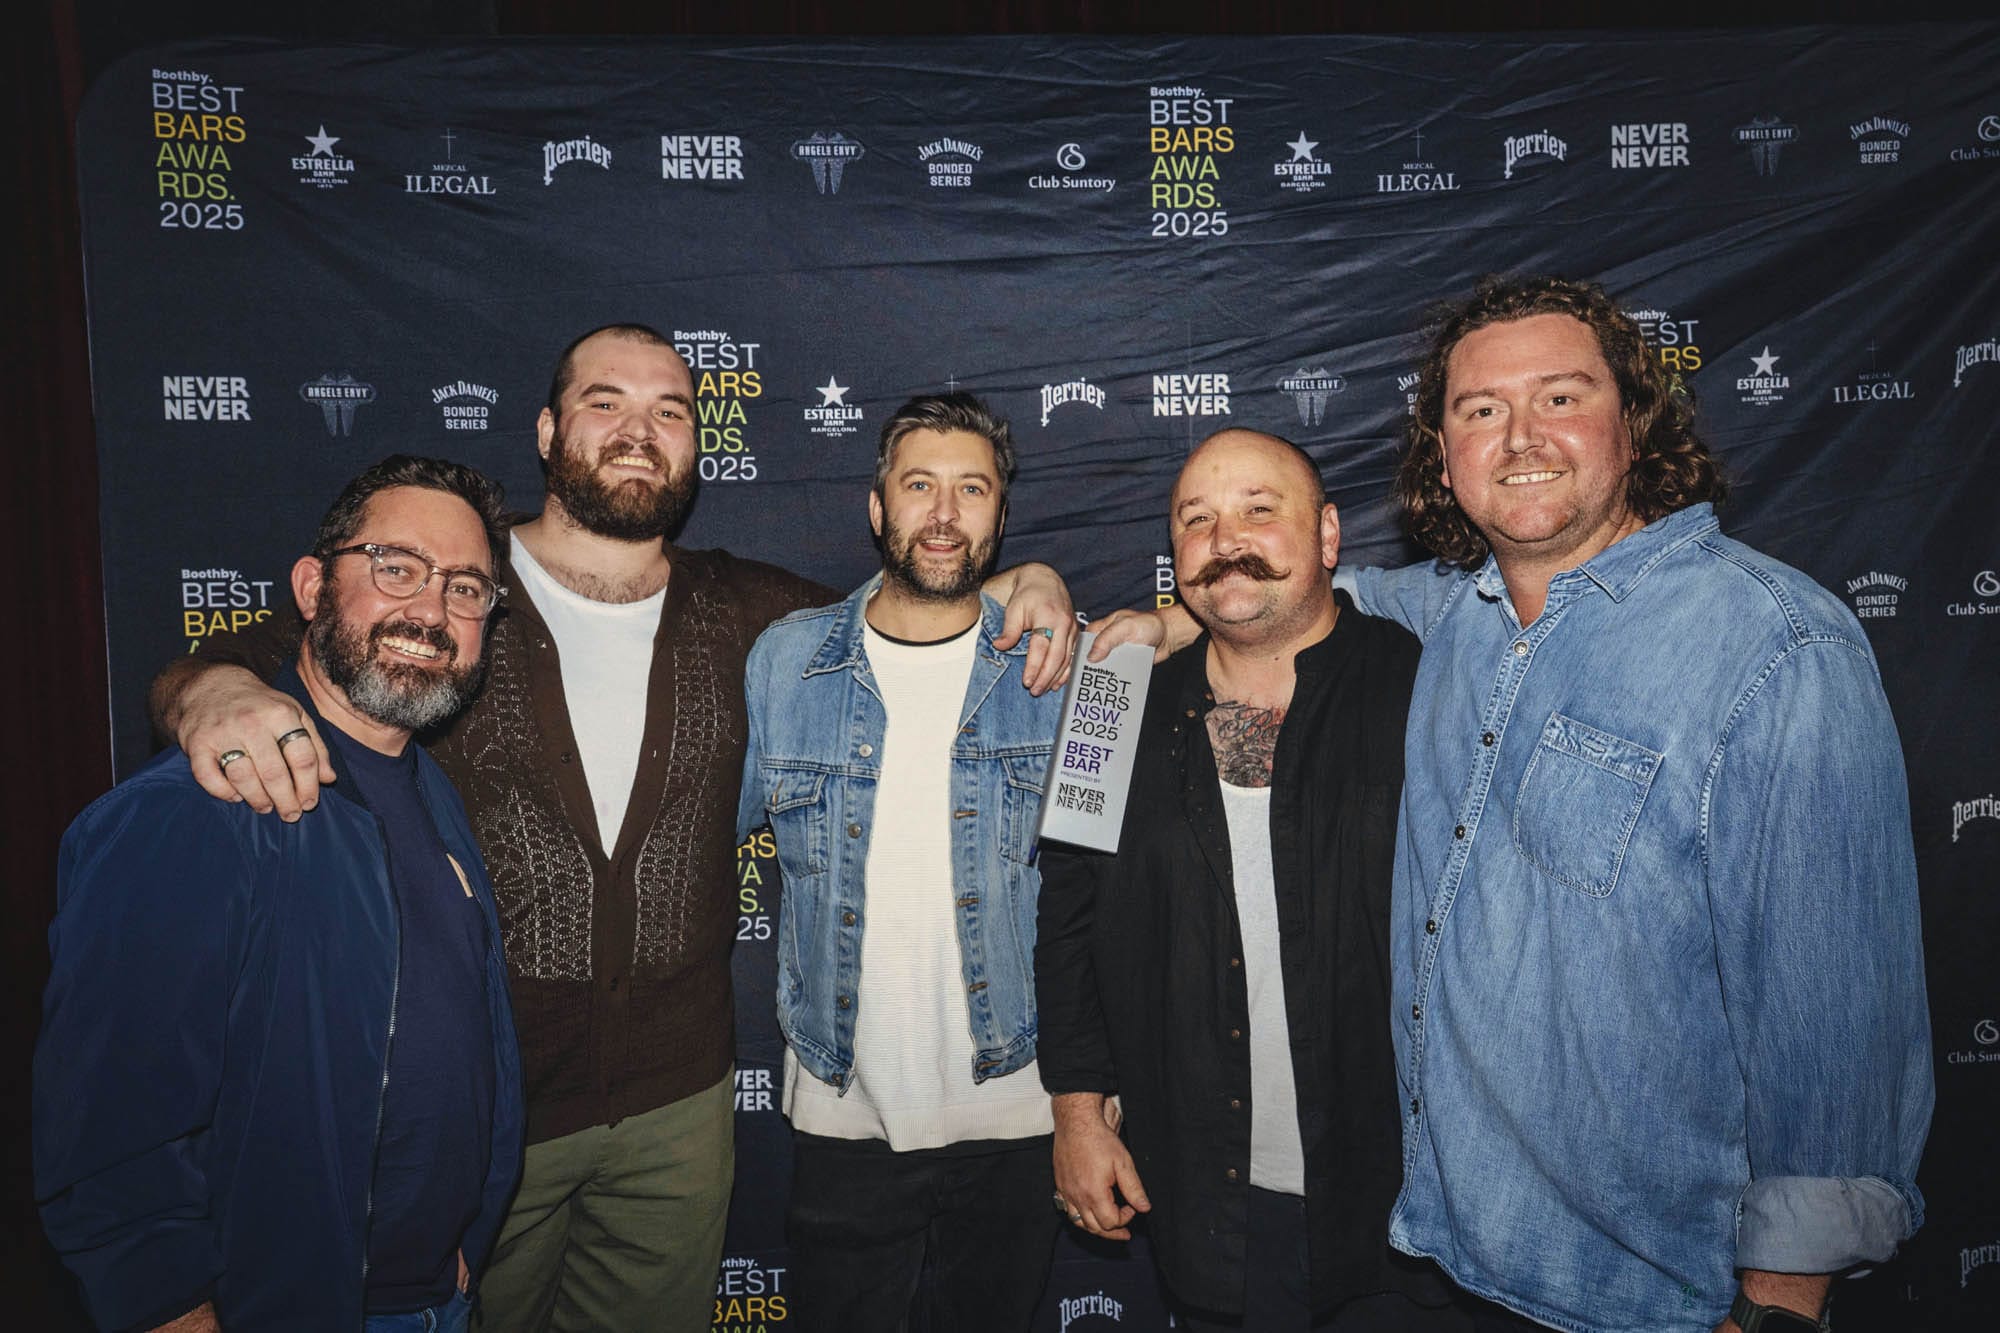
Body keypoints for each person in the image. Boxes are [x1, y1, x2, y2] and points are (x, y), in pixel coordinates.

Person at [149, 325, 1077, 1333]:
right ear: (548, 429)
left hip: (675, 1108)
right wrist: (211, 692)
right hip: (480, 1098)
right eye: (607, 403)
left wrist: (1031, 588)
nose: (640, 431)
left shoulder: (746, 612)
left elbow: (905, 611)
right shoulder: (456, 581)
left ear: (695, 444)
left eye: (669, 411)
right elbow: (270, 650)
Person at [37, 456, 524, 1333]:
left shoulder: (426, 783)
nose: (428, 610)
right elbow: (110, 1143)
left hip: (431, 1298)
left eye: (465, 588)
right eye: (396, 567)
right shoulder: (197, 806)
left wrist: (453, 1242)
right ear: (310, 586)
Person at [1037, 429, 1459, 1332]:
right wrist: (1078, 1114)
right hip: (1209, 1199)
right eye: (1198, 520)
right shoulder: (1107, 710)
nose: (1227, 539)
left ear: (1329, 535)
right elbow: (1067, 918)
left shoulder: (1423, 678)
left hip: (1407, 1204)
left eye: (1260, 511)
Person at [737, 393, 1066, 1331]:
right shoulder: (786, 663)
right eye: (919, 484)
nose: (945, 513)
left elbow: (1101, 897)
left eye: (973, 488)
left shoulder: (1057, 667)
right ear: (877, 508)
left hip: (1018, 1108)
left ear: (1002, 516)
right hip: (844, 1109)